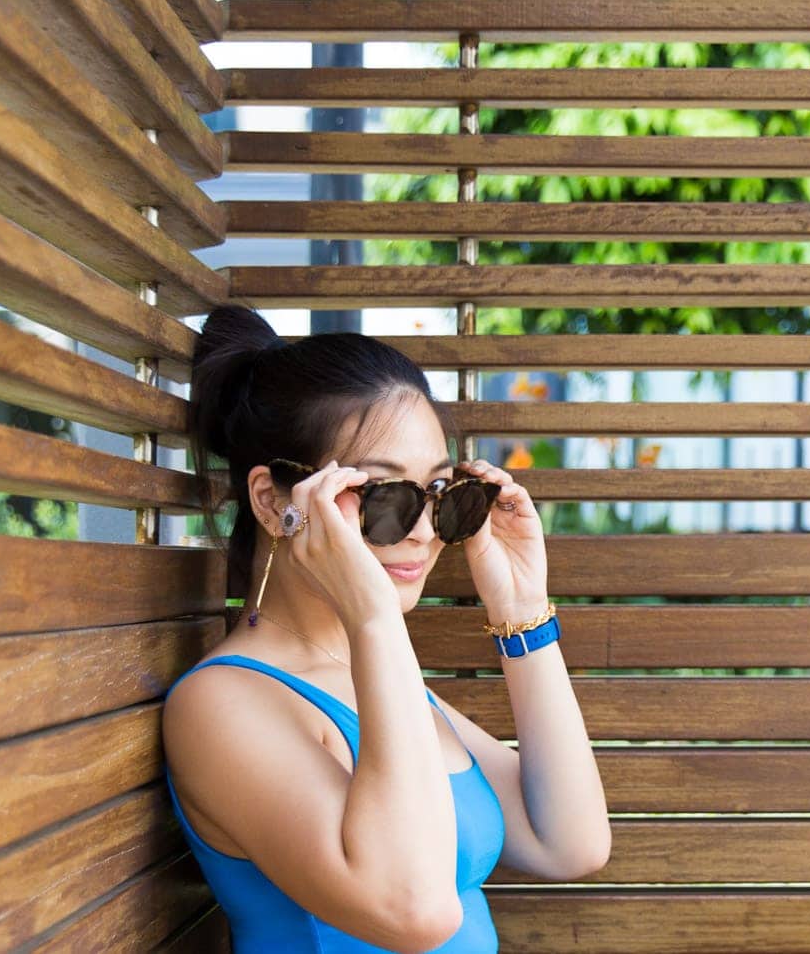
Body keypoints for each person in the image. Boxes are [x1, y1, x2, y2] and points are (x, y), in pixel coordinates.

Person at [162, 304, 611, 954]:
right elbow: (416, 910)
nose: (426, 529)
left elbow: (568, 840)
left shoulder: (380, 680)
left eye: (436, 491)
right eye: (381, 496)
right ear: (272, 501)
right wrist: (372, 616)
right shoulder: (221, 703)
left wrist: (521, 612)